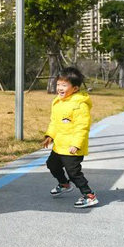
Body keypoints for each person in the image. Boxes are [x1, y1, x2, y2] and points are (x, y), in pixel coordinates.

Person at [41, 67, 99, 208]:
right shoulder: (58, 102)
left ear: (75, 88)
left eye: (64, 85)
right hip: (60, 144)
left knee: (74, 172)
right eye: (59, 84)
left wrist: (76, 144)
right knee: (52, 165)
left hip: (73, 147)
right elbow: (55, 122)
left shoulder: (79, 105)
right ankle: (64, 184)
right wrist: (50, 135)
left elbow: (82, 127)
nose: (60, 88)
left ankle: (89, 195)